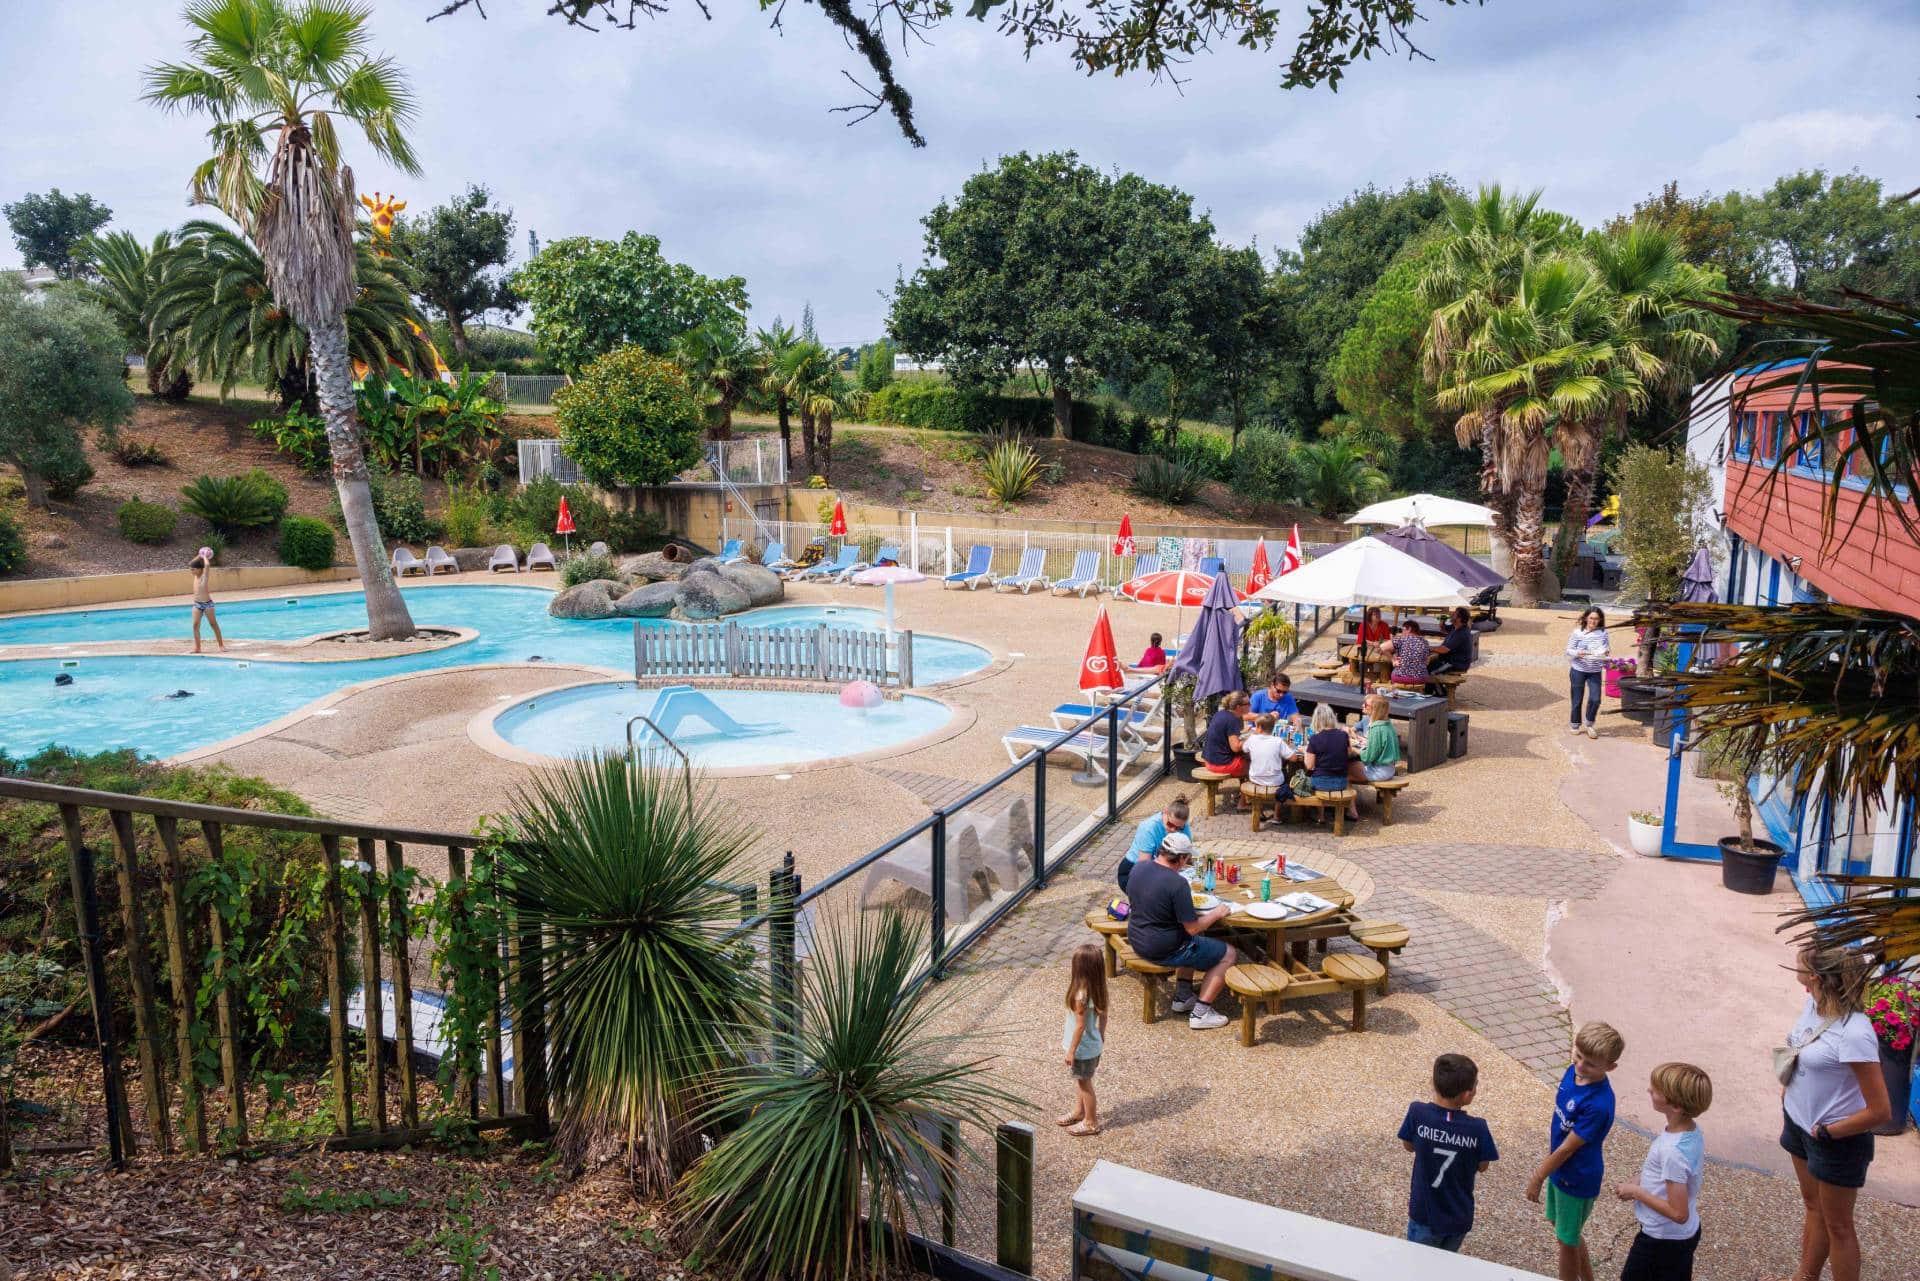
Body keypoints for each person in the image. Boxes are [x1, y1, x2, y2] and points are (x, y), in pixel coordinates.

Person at [1778, 943, 1892, 1281]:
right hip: (1799, 1122)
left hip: (1834, 1139)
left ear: (1815, 978)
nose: (1794, 969)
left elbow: (1881, 1110)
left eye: (1799, 966)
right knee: (1813, 1206)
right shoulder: (1812, 1004)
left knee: (1839, 1225)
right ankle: (1805, 1275)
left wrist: (1831, 1132)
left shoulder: (1855, 1032)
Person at [1526, 1021, 1623, 1281]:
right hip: (1560, 1171)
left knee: (1566, 1242)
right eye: (1578, 1056)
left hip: (1576, 1177)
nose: (1580, 1066)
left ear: (1610, 1067)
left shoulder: (1599, 1104)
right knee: (1565, 1232)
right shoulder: (1574, 1073)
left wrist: (1538, 1177)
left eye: (1590, 1063)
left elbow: (1568, 1149)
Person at [1123, 831, 1237, 1030]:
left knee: (1197, 939)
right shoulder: (1177, 884)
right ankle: (1200, 1014)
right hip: (1162, 948)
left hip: (1137, 938)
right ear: (1182, 858)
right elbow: (1192, 928)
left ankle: (1183, 996)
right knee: (1229, 954)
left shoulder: (1139, 867)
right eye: (1187, 858)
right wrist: (1217, 913)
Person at [1614, 1062, 1712, 1281]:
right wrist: (1639, 1180)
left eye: (1656, 1090)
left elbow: (1678, 1213)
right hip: (1682, 1235)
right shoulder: (1690, 1131)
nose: (1649, 1090)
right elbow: (1670, 1176)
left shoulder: (1672, 1152)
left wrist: (1636, 1192)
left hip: (1662, 1240)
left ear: (1676, 1106)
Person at [1398, 1053, 1499, 1253]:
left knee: (1416, 1267)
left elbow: (1408, 1145)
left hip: (1424, 1213)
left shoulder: (1418, 1113)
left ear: (1432, 1083)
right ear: (1467, 1094)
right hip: (1458, 1215)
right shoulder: (1477, 1128)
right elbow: (1483, 1166)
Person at [1056, 942, 1109, 1137]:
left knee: (1084, 1084)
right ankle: (1079, 1112)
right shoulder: (1099, 989)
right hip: (1093, 1046)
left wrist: (1071, 1051)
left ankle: (1091, 1122)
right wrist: (1101, 1038)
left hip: (1082, 1049)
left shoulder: (1081, 995)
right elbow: (1103, 1017)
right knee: (1082, 1080)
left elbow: (1079, 1026)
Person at [1301, 704, 1360, 822]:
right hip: (1341, 782)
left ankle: (1320, 815)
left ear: (1316, 720)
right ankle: (1351, 811)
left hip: (1320, 783)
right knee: (1344, 776)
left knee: (1310, 776)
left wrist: (1305, 751)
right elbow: (1348, 754)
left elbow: (1309, 766)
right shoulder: (1343, 735)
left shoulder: (1314, 739)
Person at [1117, 796, 1188, 892]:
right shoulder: (1148, 828)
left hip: (1162, 869)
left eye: (1178, 828)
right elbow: (1145, 867)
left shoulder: (1182, 825)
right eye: (1170, 825)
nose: (1173, 830)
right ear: (1165, 812)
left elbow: (1187, 852)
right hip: (1133, 871)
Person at [1566, 607, 1609, 738]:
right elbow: (1568, 650)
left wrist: (1606, 653)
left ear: (1600, 620)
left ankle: (1589, 723)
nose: (1593, 621)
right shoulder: (1578, 632)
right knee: (1577, 699)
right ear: (1586, 618)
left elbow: (1606, 648)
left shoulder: (1603, 633)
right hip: (1578, 669)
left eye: (1596, 619)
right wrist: (1578, 653)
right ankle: (1575, 724)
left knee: (1595, 699)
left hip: (1595, 671)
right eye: (1591, 618)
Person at [1200, 691, 1250, 782]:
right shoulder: (1232, 720)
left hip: (1209, 761)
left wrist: (1242, 733)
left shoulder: (1221, 713)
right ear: (1238, 707)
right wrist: (1251, 738)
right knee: (1255, 762)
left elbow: (1224, 735)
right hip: (1221, 765)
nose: (1250, 705)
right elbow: (1236, 747)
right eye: (1248, 703)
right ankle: (1246, 793)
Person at [1352, 693, 1401, 785]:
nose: (1363, 705)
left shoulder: (1376, 728)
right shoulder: (1386, 723)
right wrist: (1366, 742)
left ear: (1375, 709)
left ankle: (1348, 796)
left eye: (1366, 704)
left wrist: (1353, 749)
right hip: (1389, 769)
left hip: (1379, 772)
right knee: (1352, 767)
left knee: (1346, 767)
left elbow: (1368, 757)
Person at [1244, 713, 1297, 795]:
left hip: (1255, 778)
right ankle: (1278, 806)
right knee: (1288, 775)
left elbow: (1244, 749)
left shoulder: (1252, 738)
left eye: (1256, 726)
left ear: (1260, 728)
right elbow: (1294, 758)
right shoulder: (1278, 741)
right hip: (1275, 781)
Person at [189, 549, 225, 654]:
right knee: (195, 625)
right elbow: (191, 562)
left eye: (193, 569)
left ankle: (221, 645)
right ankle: (197, 648)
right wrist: (199, 554)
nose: (191, 571)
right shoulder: (195, 576)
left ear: (200, 569)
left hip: (207, 604)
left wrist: (204, 556)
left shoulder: (203, 577)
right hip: (197, 604)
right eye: (191, 569)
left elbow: (207, 566)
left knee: (213, 624)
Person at [1429, 606, 1476, 675]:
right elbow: (1443, 629)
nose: (1451, 615)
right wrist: (1442, 620)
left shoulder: (1461, 633)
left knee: (1428, 672)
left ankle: (1434, 685)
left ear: (1459, 619)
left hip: (1456, 664)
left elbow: (1444, 650)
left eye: (1454, 614)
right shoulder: (1455, 627)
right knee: (1427, 665)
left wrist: (1428, 648)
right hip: (1449, 661)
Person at [1389, 619, 1432, 687]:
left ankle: (1395, 693)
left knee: (1392, 670)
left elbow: (1382, 646)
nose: (1402, 632)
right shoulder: (1425, 642)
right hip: (1420, 678)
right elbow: (1427, 662)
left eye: (1403, 630)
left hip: (1400, 677)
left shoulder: (1401, 639)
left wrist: (1393, 660)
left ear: (1409, 629)